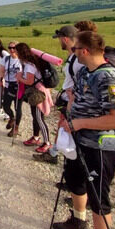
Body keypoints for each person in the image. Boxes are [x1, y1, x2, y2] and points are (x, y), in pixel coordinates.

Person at [53, 31, 115, 229]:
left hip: (101, 146)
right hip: (79, 140)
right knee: (75, 181)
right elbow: (79, 99)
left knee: (98, 194)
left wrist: (81, 122)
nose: (72, 53)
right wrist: (69, 116)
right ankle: (78, 220)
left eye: (75, 49)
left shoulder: (109, 78)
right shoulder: (86, 72)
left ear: (84, 50)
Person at [34, 25, 81, 164]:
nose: (59, 41)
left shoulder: (77, 59)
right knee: (62, 126)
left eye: (60, 39)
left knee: (67, 129)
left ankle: (68, 161)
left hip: (71, 102)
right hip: (68, 100)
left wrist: (72, 100)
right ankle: (54, 153)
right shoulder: (73, 57)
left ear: (65, 39)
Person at [15, 42, 53, 153]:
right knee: (35, 116)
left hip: (37, 93)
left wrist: (19, 78)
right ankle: (36, 137)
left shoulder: (29, 66)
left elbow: (30, 81)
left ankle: (47, 143)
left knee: (39, 118)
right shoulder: (30, 63)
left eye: (16, 51)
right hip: (37, 91)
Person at [0, 41, 23, 137]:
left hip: (19, 86)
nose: (12, 50)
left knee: (18, 107)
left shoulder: (21, 60)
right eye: (10, 48)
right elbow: (2, 70)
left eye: (14, 48)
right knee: (6, 106)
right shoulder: (6, 58)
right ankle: (12, 118)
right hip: (8, 85)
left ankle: (16, 127)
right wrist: (0, 79)